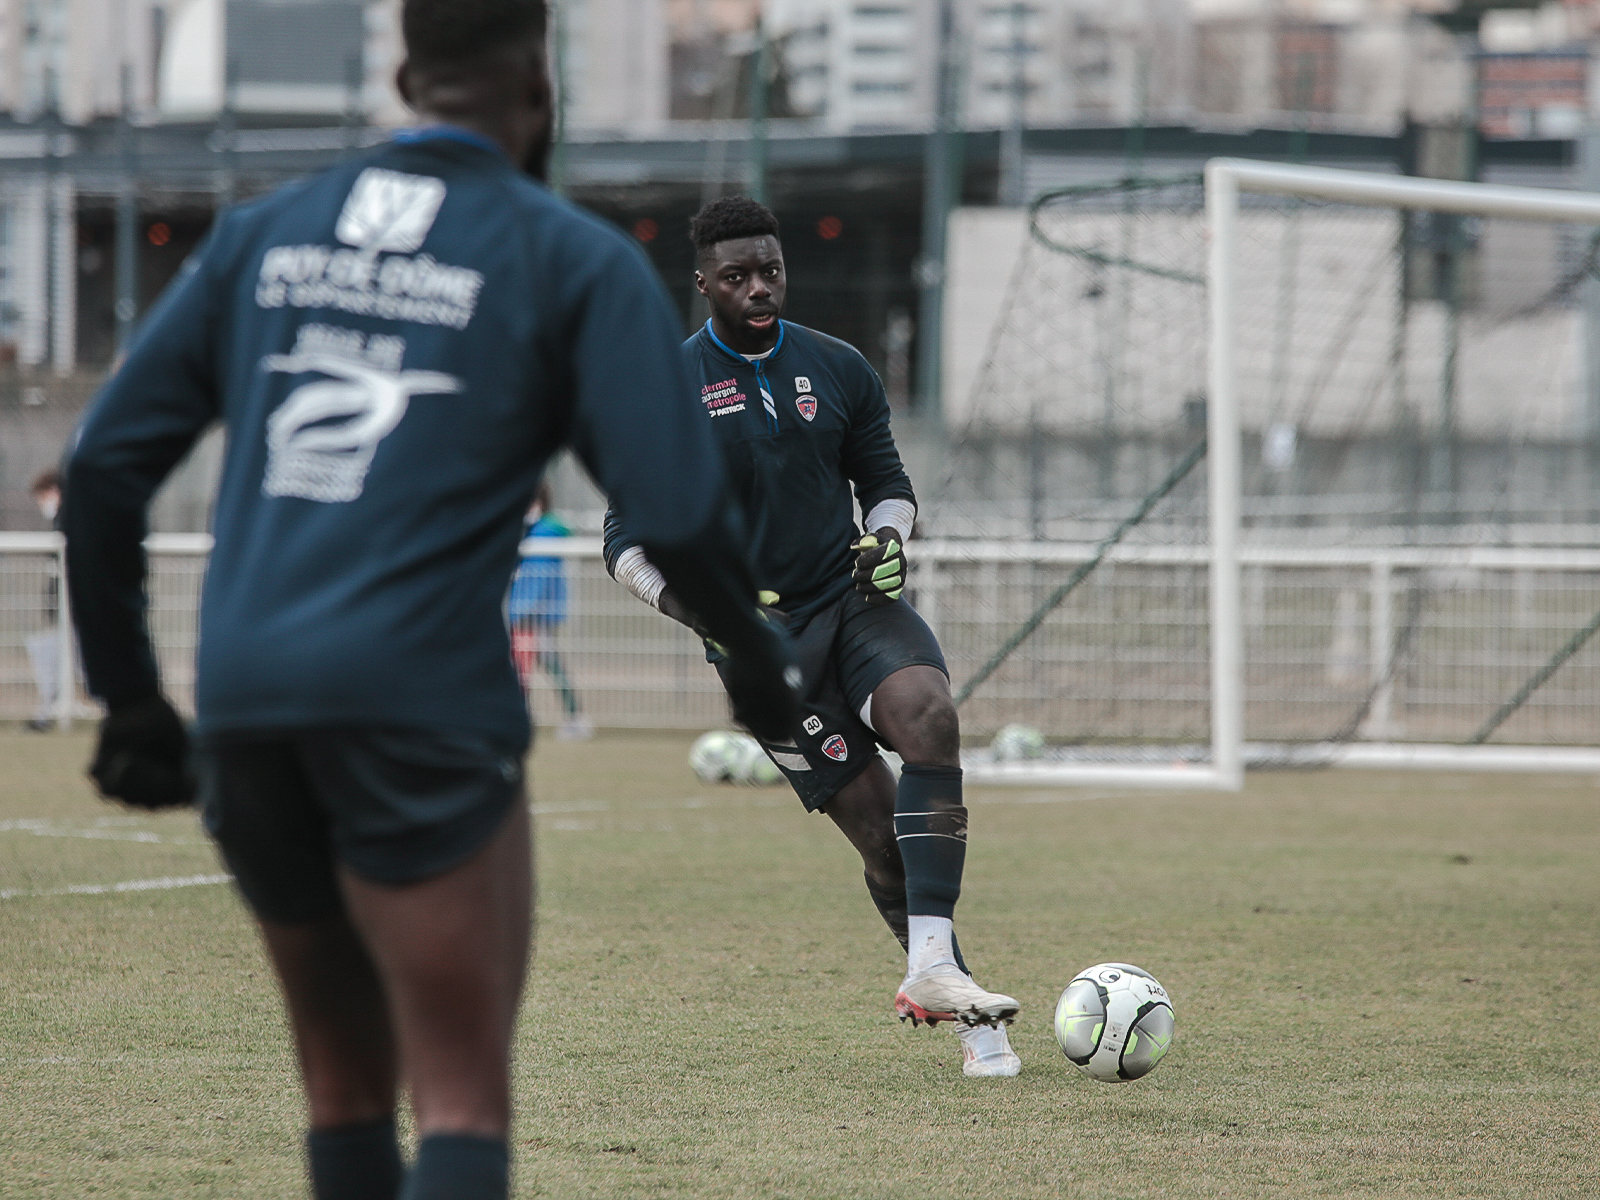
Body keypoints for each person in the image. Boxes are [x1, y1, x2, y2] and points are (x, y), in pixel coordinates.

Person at [59, 5, 797, 1199]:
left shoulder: (266, 233)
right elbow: (675, 506)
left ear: (405, 73)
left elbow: (99, 469)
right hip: (420, 702)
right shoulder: (566, 256)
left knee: (343, 1097)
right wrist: (758, 661)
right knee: (458, 1100)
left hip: (247, 703)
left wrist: (133, 701)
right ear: (538, 84)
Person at [603, 196, 1021, 1078]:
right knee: (878, 834)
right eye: (738, 275)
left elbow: (890, 484)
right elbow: (624, 544)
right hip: (762, 651)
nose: (760, 287)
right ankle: (950, 982)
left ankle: (936, 974)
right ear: (704, 283)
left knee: (930, 717)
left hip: (853, 599)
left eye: (772, 270)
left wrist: (889, 540)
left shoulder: (837, 366)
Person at [508, 479, 590, 739]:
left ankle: (574, 718)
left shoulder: (544, 532)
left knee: (533, 666)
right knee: (533, 666)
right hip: (526, 614)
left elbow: (537, 579)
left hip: (533, 615)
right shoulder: (530, 531)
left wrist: (520, 611)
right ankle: (570, 717)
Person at [25, 469, 63, 731]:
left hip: (74, 611)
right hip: (64, 612)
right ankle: (46, 713)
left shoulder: (71, 520)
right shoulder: (61, 522)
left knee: (45, 653)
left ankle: (46, 715)